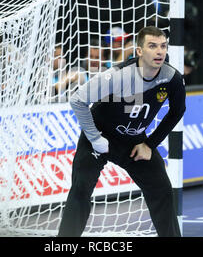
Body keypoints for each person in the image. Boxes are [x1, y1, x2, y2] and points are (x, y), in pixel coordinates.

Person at [58, 26, 186, 237]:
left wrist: (149, 144)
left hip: (134, 142)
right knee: (80, 189)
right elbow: (78, 100)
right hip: (100, 136)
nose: (159, 51)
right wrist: (95, 138)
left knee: (162, 188)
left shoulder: (172, 78)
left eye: (163, 46)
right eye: (152, 46)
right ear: (139, 51)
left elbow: (178, 111)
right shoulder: (117, 76)